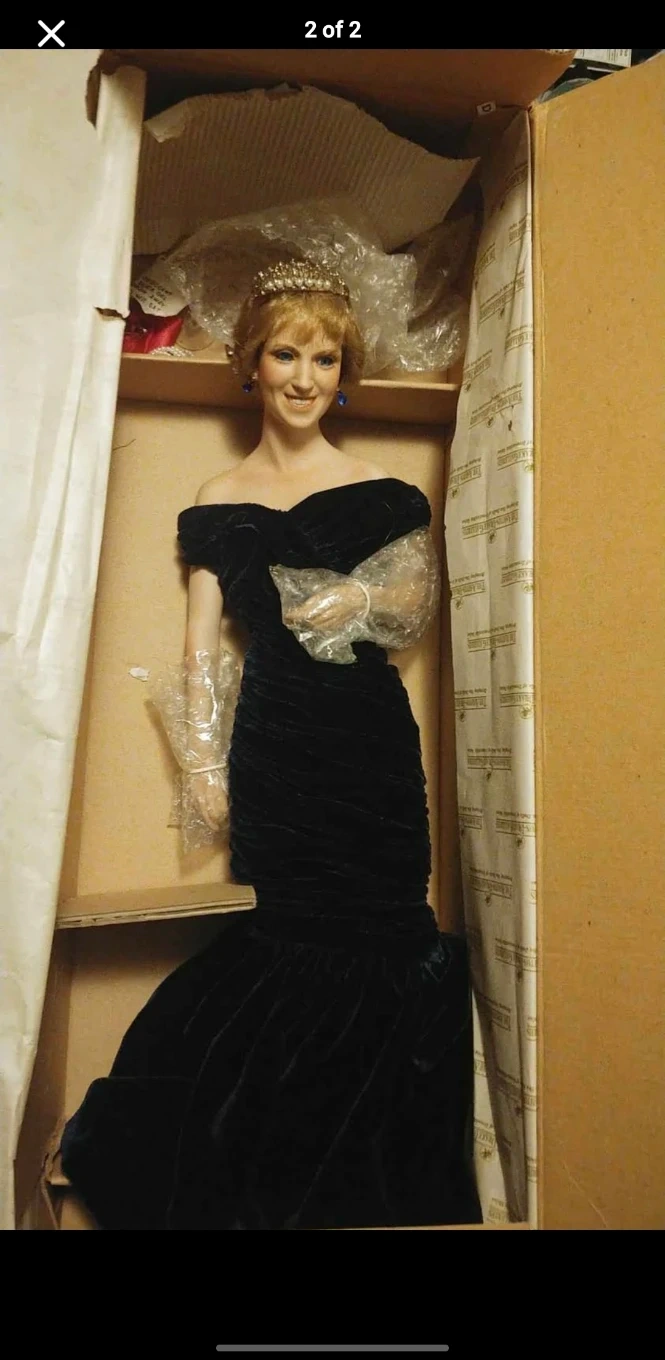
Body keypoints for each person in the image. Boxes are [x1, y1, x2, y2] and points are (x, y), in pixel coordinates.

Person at [60, 259, 481, 1230]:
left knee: (388, 926)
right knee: (290, 932)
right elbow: (198, 647)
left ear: (345, 373)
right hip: (276, 747)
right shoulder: (218, 497)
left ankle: (372, 1176)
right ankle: (260, 1165)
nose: (303, 377)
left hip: (369, 742)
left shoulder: (380, 491)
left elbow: (412, 604)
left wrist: (362, 594)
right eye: (286, 354)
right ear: (250, 364)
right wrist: (205, 765)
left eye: (323, 358)